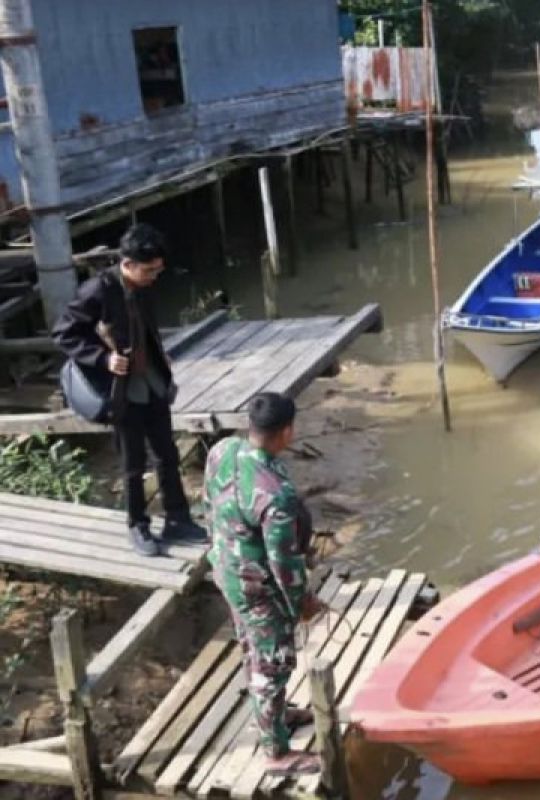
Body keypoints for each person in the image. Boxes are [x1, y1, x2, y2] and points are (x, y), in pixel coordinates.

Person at [52, 223, 206, 556]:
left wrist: (157, 350)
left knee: (167, 453)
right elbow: (64, 333)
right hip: (121, 389)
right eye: (149, 270)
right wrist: (102, 358)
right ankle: (138, 525)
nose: (154, 276)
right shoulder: (97, 290)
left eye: (158, 270)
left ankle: (178, 518)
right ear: (128, 264)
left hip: (150, 380)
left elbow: (143, 323)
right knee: (133, 462)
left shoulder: (144, 284)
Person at [204, 392, 322, 776]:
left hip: (225, 567)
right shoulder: (276, 493)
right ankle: (275, 752)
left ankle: (278, 712)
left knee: (250, 644)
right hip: (257, 587)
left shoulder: (223, 449)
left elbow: (208, 502)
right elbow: (283, 563)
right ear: (286, 431)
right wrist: (301, 602)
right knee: (273, 662)